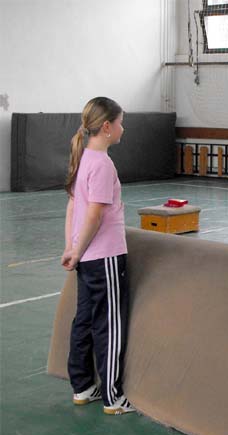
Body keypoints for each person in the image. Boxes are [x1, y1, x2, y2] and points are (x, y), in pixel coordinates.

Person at [62, 97, 134, 415]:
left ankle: (82, 387)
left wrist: (72, 247)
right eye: (120, 123)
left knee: (84, 319)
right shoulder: (102, 164)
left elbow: (72, 207)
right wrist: (77, 250)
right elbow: (93, 213)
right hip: (105, 257)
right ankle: (113, 397)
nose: (123, 128)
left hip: (88, 257)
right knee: (110, 324)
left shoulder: (84, 158)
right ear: (106, 127)